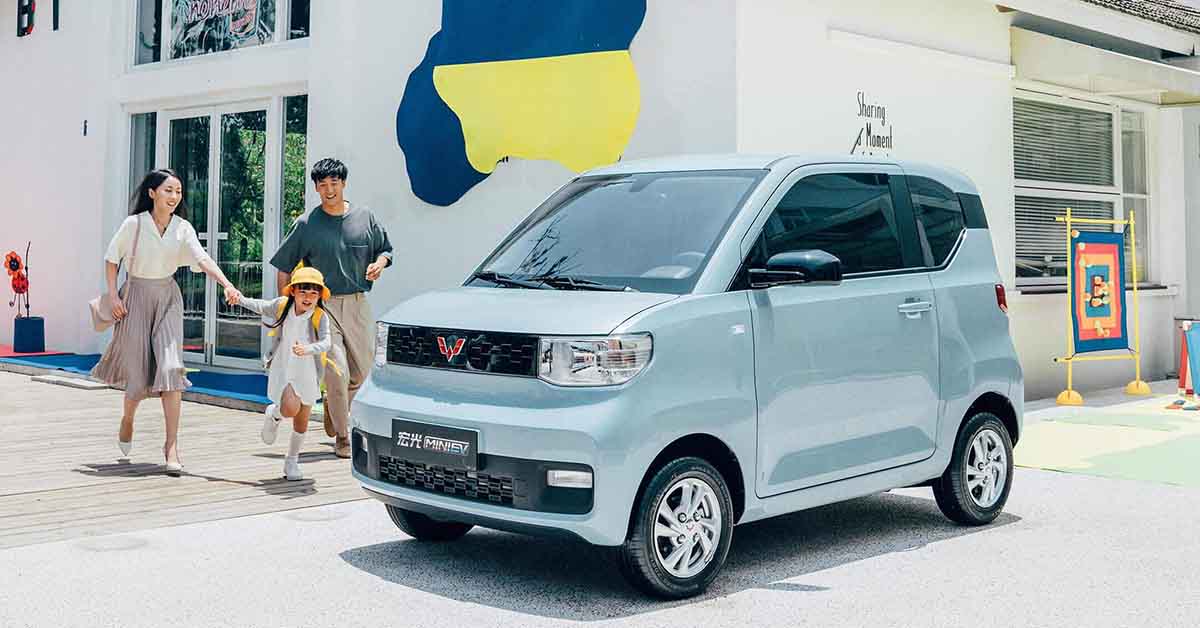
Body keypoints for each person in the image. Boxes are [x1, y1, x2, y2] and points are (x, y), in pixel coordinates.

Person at [92, 168, 242, 476]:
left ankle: (171, 447)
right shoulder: (134, 224)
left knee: (172, 368)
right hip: (135, 298)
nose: (174, 196)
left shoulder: (182, 228)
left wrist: (226, 284)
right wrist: (114, 295)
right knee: (137, 381)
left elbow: (202, 259)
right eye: (168, 190)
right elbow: (111, 258)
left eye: (178, 191)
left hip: (168, 299)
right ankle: (128, 419)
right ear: (152, 193)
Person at [269, 158, 393, 458]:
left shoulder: (365, 217)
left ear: (343, 184)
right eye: (322, 185)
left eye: (334, 183)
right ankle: (343, 435)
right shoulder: (307, 224)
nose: (329, 190)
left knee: (361, 373)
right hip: (323, 307)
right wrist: (287, 310)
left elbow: (386, 250)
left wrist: (379, 264)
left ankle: (334, 408)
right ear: (316, 188)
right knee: (337, 371)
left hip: (358, 304)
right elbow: (283, 267)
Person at [232, 267, 345, 480]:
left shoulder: (320, 316)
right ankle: (275, 414)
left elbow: (326, 342)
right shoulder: (283, 306)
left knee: (301, 421)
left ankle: (291, 461)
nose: (308, 297)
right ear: (293, 291)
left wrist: (308, 349)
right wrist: (240, 299)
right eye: (303, 291)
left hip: (308, 371)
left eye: (314, 293)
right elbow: (261, 306)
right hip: (285, 367)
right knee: (290, 409)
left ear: (320, 295)